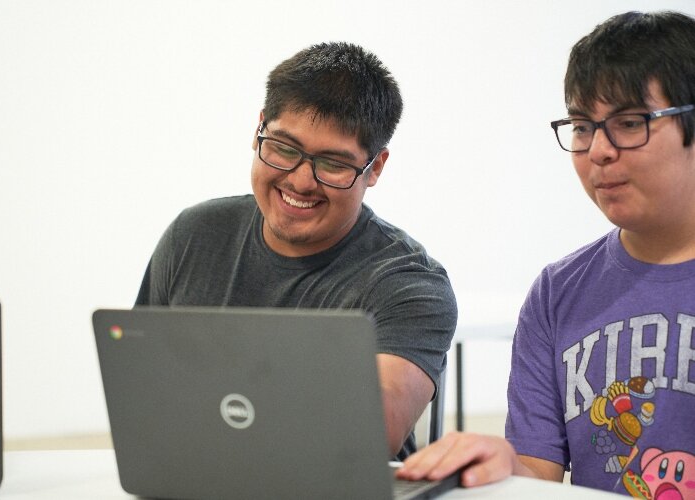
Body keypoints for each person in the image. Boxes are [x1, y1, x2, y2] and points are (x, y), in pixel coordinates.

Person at [397, 10, 695, 497]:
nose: (598, 150)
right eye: (582, 126)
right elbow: (539, 472)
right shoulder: (558, 293)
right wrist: (503, 461)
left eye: (627, 122)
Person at [135, 42, 457, 460]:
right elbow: (141, 394)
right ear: (258, 131)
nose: (301, 181)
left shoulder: (410, 284)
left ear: (374, 168)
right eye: (285, 149)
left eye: (333, 164)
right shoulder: (193, 236)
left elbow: (371, 434)